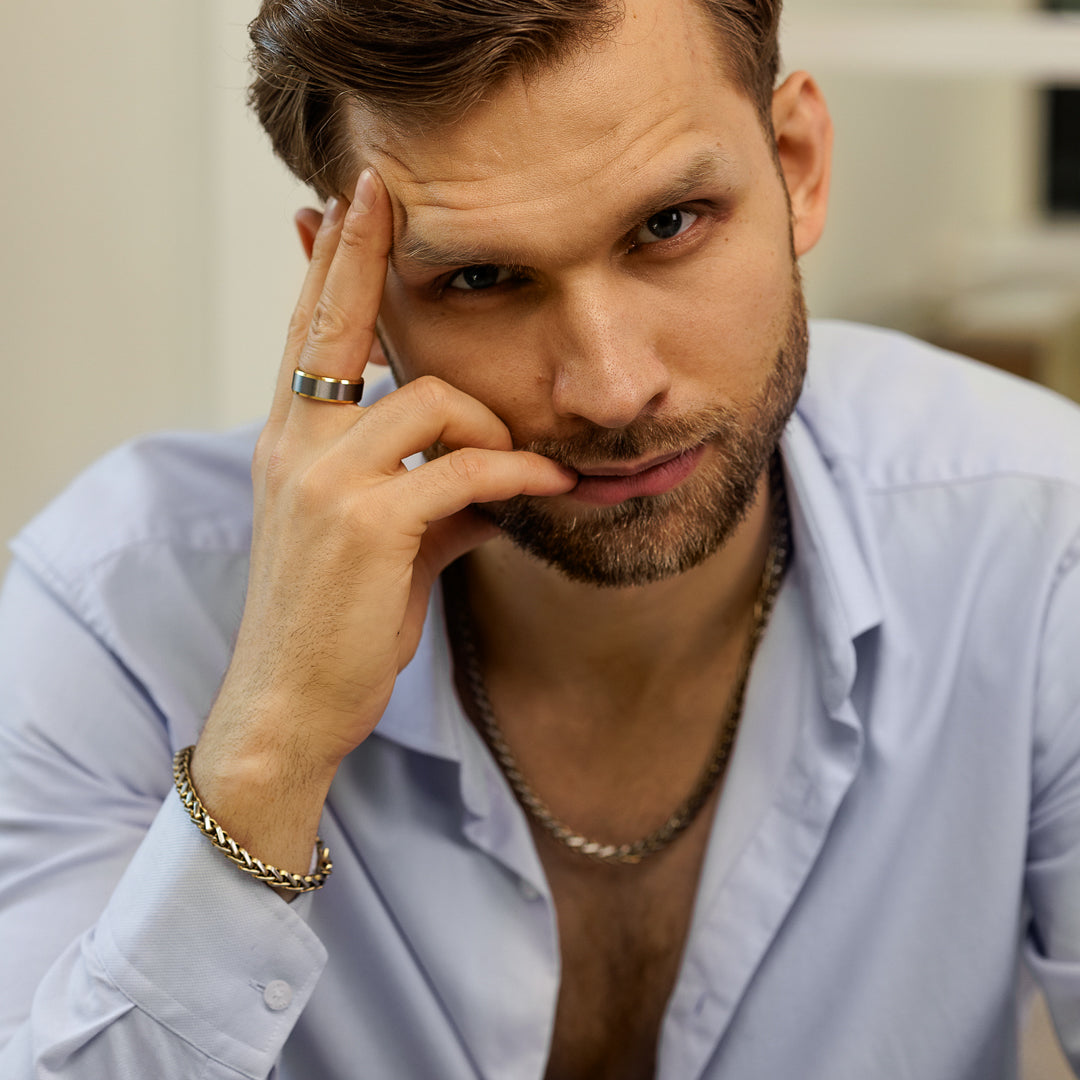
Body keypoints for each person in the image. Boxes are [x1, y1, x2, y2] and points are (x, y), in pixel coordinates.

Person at [1, 0, 1079, 1076]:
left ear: (796, 164)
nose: (612, 390)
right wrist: (273, 744)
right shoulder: (120, 610)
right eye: (479, 278)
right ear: (353, 293)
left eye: (670, 225)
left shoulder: (1034, 545)